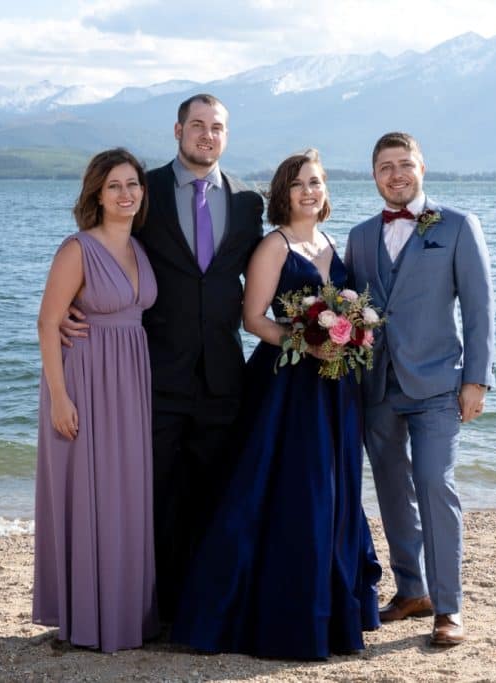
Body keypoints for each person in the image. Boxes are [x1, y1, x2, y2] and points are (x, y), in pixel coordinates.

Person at [61, 94, 264, 623]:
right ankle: (159, 611)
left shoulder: (248, 203)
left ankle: (208, 610)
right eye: (197, 125)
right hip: (151, 374)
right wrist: (66, 311)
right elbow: (100, 250)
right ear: (177, 131)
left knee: (215, 496)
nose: (207, 135)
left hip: (223, 375)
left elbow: (265, 277)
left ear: (227, 134)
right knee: (156, 498)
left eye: (216, 127)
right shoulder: (142, 188)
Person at [171, 150, 381, 660]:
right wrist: (306, 342)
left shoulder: (334, 240)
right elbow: (253, 318)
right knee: (292, 492)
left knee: (334, 491)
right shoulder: (275, 245)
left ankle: (332, 605)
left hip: (335, 388)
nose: (309, 191)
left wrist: (353, 335)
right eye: (298, 184)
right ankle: (280, 610)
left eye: (316, 182)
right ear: (282, 194)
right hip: (288, 387)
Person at [344, 132, 495, 646]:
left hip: (436, 385)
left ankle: (449, 607)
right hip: (377, 385)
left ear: (422, 168)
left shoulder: (456, 226)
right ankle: (412, 590)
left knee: (434, 483)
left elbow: (479, 310)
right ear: (374, 176)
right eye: (385, 167)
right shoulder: (361, 236)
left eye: (404, 164)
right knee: (391, 492)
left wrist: (477, 380)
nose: (396, 174)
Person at [33, 148, 158, 652]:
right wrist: (59, 399)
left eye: (133, 184)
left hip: (129, 380)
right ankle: (86, 617)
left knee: (125, 492)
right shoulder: (77, 249)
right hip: (84, 380)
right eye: (114, 186)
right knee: (88, 492)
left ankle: (126, 614)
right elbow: (47, 322)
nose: (126, 194)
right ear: (96, 195)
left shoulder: (141, 249)